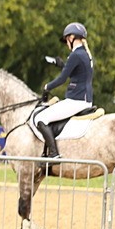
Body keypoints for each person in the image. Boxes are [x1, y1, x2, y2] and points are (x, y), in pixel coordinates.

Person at [34, 22, 94, 159]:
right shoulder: (85, 54)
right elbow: (78, 73)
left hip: (76, 100)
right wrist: (62, 65)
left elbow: (62, 79)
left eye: (67, 40)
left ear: (71, 38)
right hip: (85, 98)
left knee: (40, 118)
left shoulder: (75, 55)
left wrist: (47, 87)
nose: (66, 43)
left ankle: (54, 154)